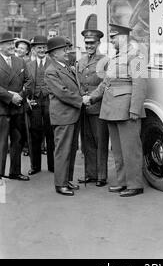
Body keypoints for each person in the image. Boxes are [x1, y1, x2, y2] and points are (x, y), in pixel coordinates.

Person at [87, 23, 147, 197]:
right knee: (118, 150)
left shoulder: (136, 56)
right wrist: (92, 97)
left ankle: (135, 184)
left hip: (127, 109)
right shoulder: (114, 58)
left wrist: (135, 109)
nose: (111, 40)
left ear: (123, 37)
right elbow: (106, 82)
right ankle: (122, 182)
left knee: (131, 149)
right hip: (112, 109)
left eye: (113, 37)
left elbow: (140, 84)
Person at [44, 36, 86, 196]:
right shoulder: (51, 71)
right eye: (63, 50)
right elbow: (62, 92)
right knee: (62, 150)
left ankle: (67, 180)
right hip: (63, 117)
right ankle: (60, 184)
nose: (67, 52)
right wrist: (81, 100)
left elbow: (73, 87)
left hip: (71, 115)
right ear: (54, 53)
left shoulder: (65, 67)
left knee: (71, 149)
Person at [77, 29, 109, 187]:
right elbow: (78, 81)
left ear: (98, 43)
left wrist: (92, 97)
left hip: (98, 106)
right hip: (84, 107)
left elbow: (105, 84)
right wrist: (81, 97)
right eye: (87, 43)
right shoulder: (81, 61)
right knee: (87, 142)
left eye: (92, 43)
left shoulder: (105, 60)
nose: (89, 46)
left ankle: (101, 176)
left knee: (100, 141)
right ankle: (90, 174)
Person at [0, 32, 31, 181]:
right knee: (1, 143)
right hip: (2, 108)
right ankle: (0, 174)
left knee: (17, 141)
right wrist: (10, 96)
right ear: (0, 46)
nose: (12, 46)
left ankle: (15, 172)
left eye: (12, 43)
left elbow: (29, 82)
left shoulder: (20, 61)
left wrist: (20, 95)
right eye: (8, 44)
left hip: (18, 107)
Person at [25, 35, 54, 175]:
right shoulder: (28, 65)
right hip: (35, 101)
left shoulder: (52, 63)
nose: (42, 50)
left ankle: (52, 165)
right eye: (39, 48)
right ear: (34, 49)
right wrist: (26, 99)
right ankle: (35, 166)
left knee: (51, 133)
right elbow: (24, 83)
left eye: (44, 47)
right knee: (35, 133)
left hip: (50, 100)